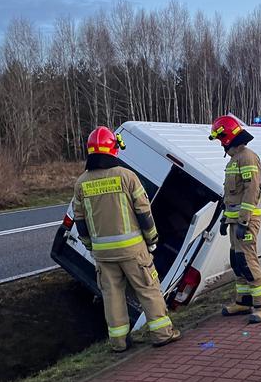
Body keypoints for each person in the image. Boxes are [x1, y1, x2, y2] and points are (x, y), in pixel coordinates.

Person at [73, 126, 180, 352]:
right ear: (113, 149)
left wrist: (90, 246)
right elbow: (144, 212)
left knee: (112, 296)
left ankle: (119, 342)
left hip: (103, 253)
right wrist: (152, 239)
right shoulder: (127, 177)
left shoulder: (81, 183)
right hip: (133, 250)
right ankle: (162, 333)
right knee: (148, 289)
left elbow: (80, 220)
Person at [209, 115, 261, 323]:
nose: (220, 143)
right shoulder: (235, 160)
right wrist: (226, 219)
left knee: (248, 260)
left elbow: (251, 191)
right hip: (235, 221)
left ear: (227, 137)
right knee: (237, 261)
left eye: (220, 139)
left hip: (247, 221)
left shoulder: (247, 157)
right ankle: (243, 302)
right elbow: (231, 195)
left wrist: (243, 221)